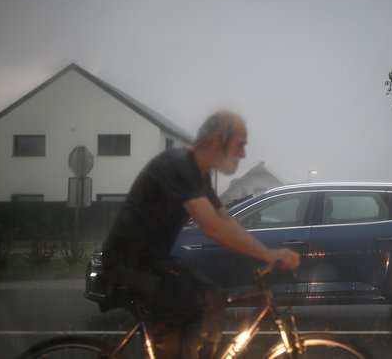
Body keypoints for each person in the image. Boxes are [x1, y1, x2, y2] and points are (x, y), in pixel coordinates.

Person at [101, 110, 300, 359]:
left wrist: (267, 254)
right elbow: (212, 227)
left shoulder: (198, 174)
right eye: (240, 144)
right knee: (184, 305)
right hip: (125, 261)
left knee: (214, 295)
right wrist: (268, 254)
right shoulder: (177, 166)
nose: (243, 153)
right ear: (218, 139)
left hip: (152, 260)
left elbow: (225, 220)